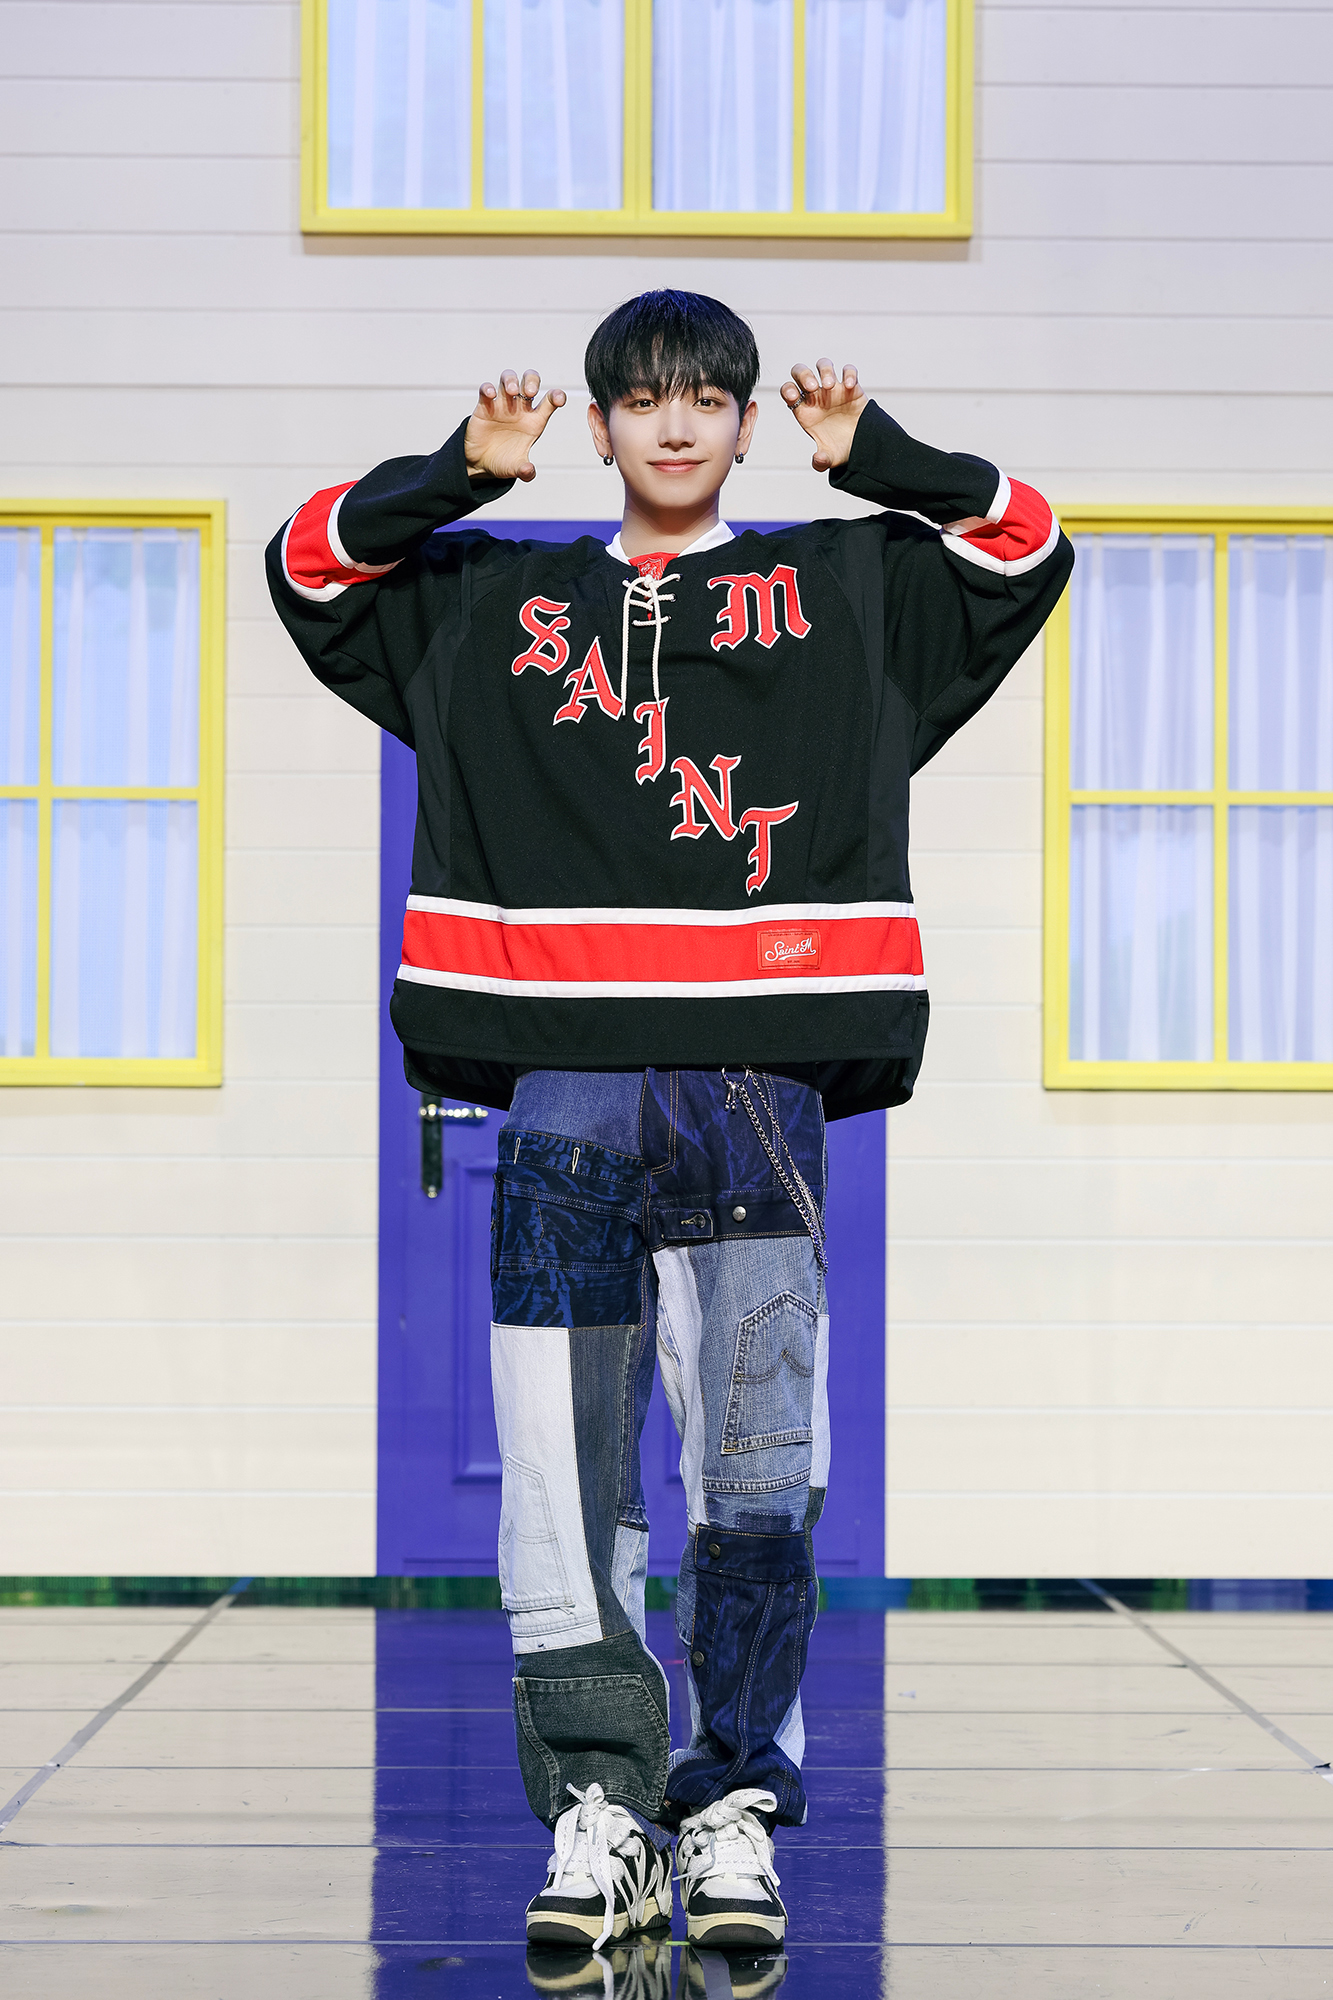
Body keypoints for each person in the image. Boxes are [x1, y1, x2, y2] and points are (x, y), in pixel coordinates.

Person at [267, 290, 1073, 1956]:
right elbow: (308, 569)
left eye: (709, 394)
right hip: (563, 1072)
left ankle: (728, 1810)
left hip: (756, 1081)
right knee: (559, 1465)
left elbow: (1024, 548)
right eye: (643, 397)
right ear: (600, 424)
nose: (678, 420)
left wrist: (882, 460)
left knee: (756, 1468)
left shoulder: (844, 591)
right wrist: (456, 473)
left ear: (749, 421)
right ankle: (598, 1806)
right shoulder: (496, 600)